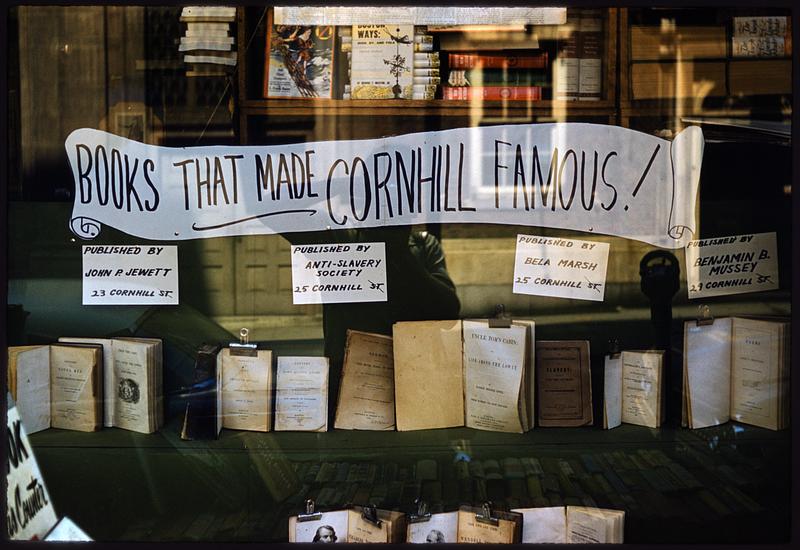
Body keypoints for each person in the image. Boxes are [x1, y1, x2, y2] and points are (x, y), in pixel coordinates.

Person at [285, 225, 460, 422]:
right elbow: (272, 208)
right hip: (353, 385)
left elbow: (447, 311)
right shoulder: (339, 238)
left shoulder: (421, 243)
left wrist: (400, 252)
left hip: (414, 378)